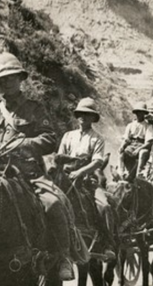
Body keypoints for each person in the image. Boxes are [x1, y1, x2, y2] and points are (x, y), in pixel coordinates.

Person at [0, 52, 87, 280]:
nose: (6, 83)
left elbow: (49, 139)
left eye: (11, 78)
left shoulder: (35, 108)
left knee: (54, 203)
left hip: (29, 175)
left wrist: (23, 144)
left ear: (20, 79)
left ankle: (63, 255)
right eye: (2, 80)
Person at [55, 98, 116, 260]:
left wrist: (80, 172)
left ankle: (108, 244)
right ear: (77, 116)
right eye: (81, 114)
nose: (83, 117)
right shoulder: (68, 136)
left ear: (92, 118)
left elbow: (97, 162)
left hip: (87, 181)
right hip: (66, 179)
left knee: (104, 206)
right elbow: (59, 157)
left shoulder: (97, 138)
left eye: (87, 114)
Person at [119, 103, 153, 181]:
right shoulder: (130, 125)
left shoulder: (148, 126)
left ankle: (139, 174)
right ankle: (121, 173)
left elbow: (149, 142)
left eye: (141, 112)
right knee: (121, 153)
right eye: (138, 112)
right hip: (131, 146)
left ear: (144, 114)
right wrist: (122, 146)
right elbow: (126, 138)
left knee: (142, 153)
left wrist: (138, 149)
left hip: (142, 146)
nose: (139, 114)